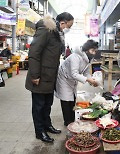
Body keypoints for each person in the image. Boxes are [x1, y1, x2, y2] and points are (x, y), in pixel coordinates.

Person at [25, 12, 74, 143]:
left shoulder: (56, 33)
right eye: (68, 25)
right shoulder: (46, 30)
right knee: (39, 106)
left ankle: (47, 125)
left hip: (50, 76)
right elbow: (34, 53)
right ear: (62, 22)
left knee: (47, 104)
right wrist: (35, 75)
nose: (67, 29)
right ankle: (39, 131)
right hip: (40, 77)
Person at [55, 39, 99, 126]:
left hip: (72, 79)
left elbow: (86, 72)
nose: (93, 53)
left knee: (73, 98)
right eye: (92, 50)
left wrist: (91, 80)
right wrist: (88, 80)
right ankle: (67, 122)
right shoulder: (75, 57)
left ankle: (72, 119)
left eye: (95, 51)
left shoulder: (88, 58)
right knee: (66, 100)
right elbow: (74, 74)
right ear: (86, 50)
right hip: (64, 78)